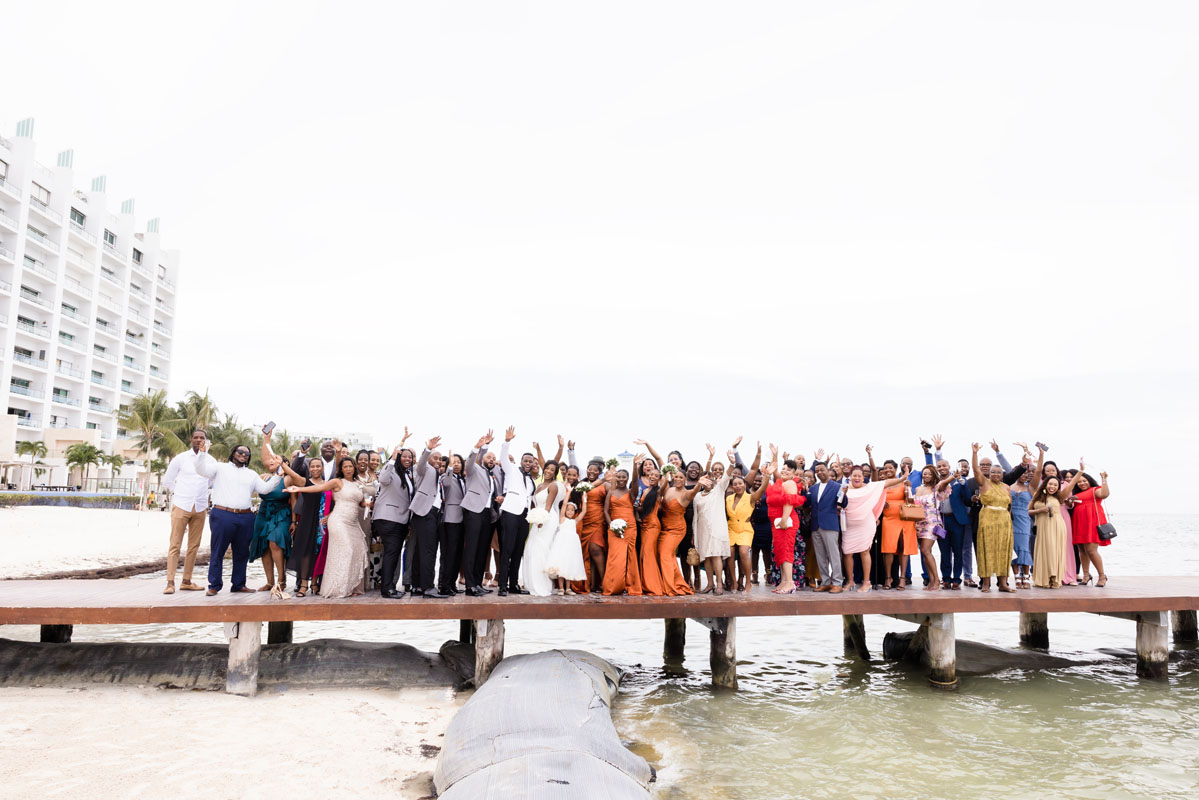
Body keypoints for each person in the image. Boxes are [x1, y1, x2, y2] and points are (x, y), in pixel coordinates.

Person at [194, 442, 282, 596]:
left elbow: (264, 489)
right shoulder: (220, 467)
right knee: (218, 551)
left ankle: (239, 584)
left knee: (242, 553)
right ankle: (214, 585)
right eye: (240, 452)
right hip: (223, 514)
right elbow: (201, 470)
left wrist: (277, 476)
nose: (243, 455)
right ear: (233, 453)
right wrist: (202, 453)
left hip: (246, 516)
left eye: (246, 453)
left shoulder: (251, 474)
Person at [285, 457, 370, 598]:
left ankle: (348, 586)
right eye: (345, 467)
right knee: (347, 550)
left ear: (354, 467)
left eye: (350, 466)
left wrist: (366, 503)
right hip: (338, 520)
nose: (348, 469)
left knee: (356, 550)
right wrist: (299, 488)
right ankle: (337, 587)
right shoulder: (336, 482)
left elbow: (360, 502)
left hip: (353, 523)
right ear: (341, 469)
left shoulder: (358, 484)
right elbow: (318, 488)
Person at [839, 458, 909, 593]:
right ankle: (850, 580)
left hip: (866, 524)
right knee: (847, 552)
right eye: (854, 476)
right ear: (850, 477)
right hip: (849, 525)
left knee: (864, 551)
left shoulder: (870, 487)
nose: (857, 478)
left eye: (859, 476)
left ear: (863, 477)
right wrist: (843, 494)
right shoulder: (844, 488)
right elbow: (838, 503)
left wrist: (904, 477)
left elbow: (887, 482)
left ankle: (867, 582)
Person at [160, 429, 213, 595]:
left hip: (200, 506)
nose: (199, 440)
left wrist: (201, 494)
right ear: (191, 440)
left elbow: (210, 481)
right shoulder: (181, 458)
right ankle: (170, 582)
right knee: (175, 544)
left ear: (206, 440)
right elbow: (167, 481)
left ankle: (186, 581)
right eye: (196, 437)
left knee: (194, 546)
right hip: (181, 504)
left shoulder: (211, 460)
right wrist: (180, 493)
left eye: (202, 438)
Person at [497, 426, 538, 597]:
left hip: (524, 516)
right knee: (507, 549)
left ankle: (513, 584)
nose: (528, 463)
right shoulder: (512, 469)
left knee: (518, 550)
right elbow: (503, 458)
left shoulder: (531, 479)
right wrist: (507, 441)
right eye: (526, 460)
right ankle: (502, 586)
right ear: (521, 461)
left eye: (531, 461)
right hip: (511, 513)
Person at [1029, 464, 1085, 588]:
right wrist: (1040, 510)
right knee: (1044, 552)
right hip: (1042, 527)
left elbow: (1072, 483)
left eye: (1055, 485)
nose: (1052, 487)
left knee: (1055, 552)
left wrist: (1081, 470)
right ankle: (1043, 579)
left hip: (1057, 526)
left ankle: (1055, 579)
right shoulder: (1037, 495)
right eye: (1050, 484)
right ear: (1045, 484)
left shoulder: (1060, 497)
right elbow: (1028, 511)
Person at [971, 442, 1016, 593]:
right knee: (987, 550)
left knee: (1004, 551)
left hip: (1004, 521)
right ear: (989, 474)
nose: (996, 474)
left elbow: (1009, 506)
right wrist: (974, 453)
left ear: (1002, 474)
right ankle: (986, 583)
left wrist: (1009, 522)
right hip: (988, 520)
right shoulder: (984, 483)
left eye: (998, 472)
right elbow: (976, 470)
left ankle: (1003, 583)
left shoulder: (1006, 487)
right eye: (993, 472)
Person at [374, 443, 416, 599]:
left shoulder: (406, 474)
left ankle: (389, 586)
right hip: (388, 517)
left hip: (401, 519)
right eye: (404, 456)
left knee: (393, 553)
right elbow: (383, 479)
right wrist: (391, 459)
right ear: (398, 457)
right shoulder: (391, 470)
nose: (407, 459)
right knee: (391, 553)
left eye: (410, 457)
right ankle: (387, 589)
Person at [659, 468, 709, 596]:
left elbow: (694, 491)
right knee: (669, 556)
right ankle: (674, 582)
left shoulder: (686, 494)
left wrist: (699, 483)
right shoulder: (669, 489)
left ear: (685, 479)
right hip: (664, 528)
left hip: (676, 529)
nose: (678, 479)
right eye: (676, 477)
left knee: (665, 554)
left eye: (681, 477)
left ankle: (670, 586)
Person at [763, 449, 807, 594]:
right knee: (779, 550)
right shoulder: (779, 482)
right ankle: (783, 581)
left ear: (794, 473)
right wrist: (774, 457)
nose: (785, 471)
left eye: (789, 470)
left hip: (786, 521)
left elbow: (789, 502)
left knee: (786, 549)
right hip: (776, 522)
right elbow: (774, 470)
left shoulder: (790, 484)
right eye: (784, 468)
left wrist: (784, 519)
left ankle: (790, 582)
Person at [692, 448, 734, 594]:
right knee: (706, 558)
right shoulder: (697, 496)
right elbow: (695, 517)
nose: (707, 482)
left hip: (716, 529)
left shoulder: (718, 490)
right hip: (702, 530)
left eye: (709, 479)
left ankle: (719, 584)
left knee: (716, 555)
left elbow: (727, 476)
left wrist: (731, 463)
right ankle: (710, 584)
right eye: (704, 480)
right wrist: (694, 534)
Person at [408, 437, 446, 598]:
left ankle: (417, 585)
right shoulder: (424, 469)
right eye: (435, 458)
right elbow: (421, 463)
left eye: (440, 459)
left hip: (432, 514)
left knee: (420, 551)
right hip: (425, 512)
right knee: (429, 551)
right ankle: (428, 587)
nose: (438, 461)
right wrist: (428, 449)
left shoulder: (437, 474)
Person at [461, 431, 497, 597]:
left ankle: (477, 583)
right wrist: (478, 447)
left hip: (487, 513)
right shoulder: (474, 469)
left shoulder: (491, 475)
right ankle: (469, 586)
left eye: (493, 458)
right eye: (488, 457)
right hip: (473, 511)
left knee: (482, 550)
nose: (491, 460)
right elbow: (469, 462)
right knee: (472, 548)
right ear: (482, 459)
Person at [521, 460, 563, 597]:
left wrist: (541, 521)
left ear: (555, 473)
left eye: (552, 470)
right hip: (538, 519)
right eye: (547, 468)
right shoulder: (539, 485)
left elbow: (548, 506)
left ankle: (542, 585)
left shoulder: (553, 486)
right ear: (543, 469)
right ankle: (531, 583)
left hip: (547, 519)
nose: (548, 471)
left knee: (540, 550)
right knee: (531, 549)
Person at [285, 458, 325, 597]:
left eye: (318, 466)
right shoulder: (304, 482)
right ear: (309, 468)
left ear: (322, 468)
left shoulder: (328, 484)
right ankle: (303, 585)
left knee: (318, 553)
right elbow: (292, 474)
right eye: (312, 466)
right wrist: (281, 464)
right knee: (305, 553)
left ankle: (314, 583)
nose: (315, 469)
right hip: (307, 521)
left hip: (322, 523)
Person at [912, 465, 954, 592]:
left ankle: (936, 580)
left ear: (933, 475)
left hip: (931, 522)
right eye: (924, 473)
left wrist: (953, 477)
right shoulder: (918, 489)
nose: (926, 476)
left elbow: (943, 484)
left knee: (926, 550)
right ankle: (931, 581)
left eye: (929, 474)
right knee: (924, 552)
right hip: (919, 523)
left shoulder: (936, 488)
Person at [602, 468, 643, 596]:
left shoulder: (631, 492)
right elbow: (605, 511)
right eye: (618, 477)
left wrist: (635, 465)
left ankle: (631, 585)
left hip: (629, 527)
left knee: (630, 557)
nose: (621, 479)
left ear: (627, 478)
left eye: (623, 477)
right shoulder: (611, 492)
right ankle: (614, 586)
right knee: (615, 558)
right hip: (613, 528)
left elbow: (635, 481)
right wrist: (612, 525)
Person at [879, 459, 918, 590]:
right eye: (886, 468)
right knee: (888, 549)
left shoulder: (903, 482)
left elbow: (910, 501)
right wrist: (881, 502)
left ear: (895, 469)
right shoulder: (882, 484)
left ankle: (902, 578)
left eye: (890, 468)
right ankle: (888, 578)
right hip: (888, 519)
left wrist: (908, 488)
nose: (888, 470)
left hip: (904, 519)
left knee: (903, 547)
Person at [1071, 469, 1113, 586]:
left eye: (1084, 481)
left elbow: (1104, 494)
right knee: (1082, 550)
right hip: (1079, 522)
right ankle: (1086, 575)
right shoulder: (1075, 494)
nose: (1082, 483)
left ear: (1089, 481)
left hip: (1092, 522)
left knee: (1091, 550)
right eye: (1079, 482)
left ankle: (1102, 576)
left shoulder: (1095, 490)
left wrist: (1104, 479)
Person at [726, 471, 767, 592]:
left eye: (740, 483)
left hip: (745, 529)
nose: (738, 486)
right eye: (735, 484)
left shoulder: (750, 497)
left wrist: (768, 476)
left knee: (743, 552)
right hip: (731, 528)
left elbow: (762, 490)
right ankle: (734, 582)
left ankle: (748, 581)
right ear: (732, 487)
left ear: (745, 485)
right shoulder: (728, 498)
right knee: (730, 553)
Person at [807, 461, 844, 593]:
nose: (819, 473)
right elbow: (807, 504)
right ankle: (825, 582)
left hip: (830, 525)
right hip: (815, 525)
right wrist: (804, 490)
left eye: (822, 470)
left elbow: (843, 504)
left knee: (833, 555)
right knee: (820, 556)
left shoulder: (837, 486)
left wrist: (843, 494)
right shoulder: (813, 488)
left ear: (827, 470)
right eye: (817, 471)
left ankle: (837, 582)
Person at [634, 457, 666, 596]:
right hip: (644, 525)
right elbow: (643, 507)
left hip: (653, 525)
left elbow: (665, 483)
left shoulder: (658, 491)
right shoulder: (646, 490)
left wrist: (666, 473)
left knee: (647, 554)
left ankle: (654, 586)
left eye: (656, 476)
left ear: (659, 478)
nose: (652, 477)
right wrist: (637, 509)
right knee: (642, 555)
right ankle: (645, 584)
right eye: (651, 474)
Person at [438, 451, 467, 595]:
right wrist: (449, 466)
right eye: (453, 462)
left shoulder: (463, 479)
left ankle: (452, 584)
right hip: (450, 518)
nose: (456, 465)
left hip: (462, 519)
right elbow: (447, 484)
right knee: (449, 554)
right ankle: (444, 586)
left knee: (457, 554)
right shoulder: (445, 476)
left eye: (458, 462)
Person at [545, 499, 588, 595]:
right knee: (561, 564)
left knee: (569, 565)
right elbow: (564, 504)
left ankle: (568, 588)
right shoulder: (562, 519)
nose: (570, 512)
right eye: (568, 510)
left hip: (571, 546)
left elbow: (584, 512)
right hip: (562, 545)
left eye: (572, 510)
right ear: (564, 511)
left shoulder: (574, 521)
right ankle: (561, 588)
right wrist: (568, 493)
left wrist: (584, 499)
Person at [749, 474, 773, 585]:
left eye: (760, 481)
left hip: (766, 525)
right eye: (755, 480)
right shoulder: (748, 492)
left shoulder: (767, 492)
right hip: (754, 525)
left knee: (766, 551)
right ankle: (754, 575)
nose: (757, 483)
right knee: (754, 551)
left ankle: (768, 575)